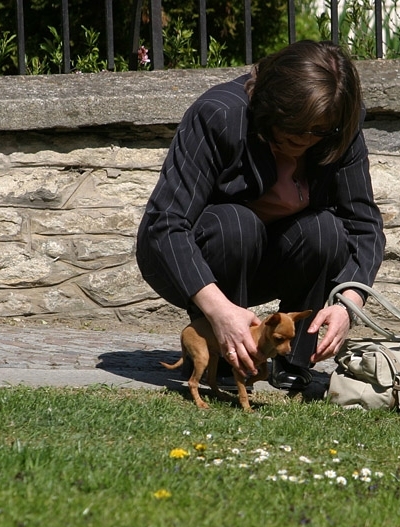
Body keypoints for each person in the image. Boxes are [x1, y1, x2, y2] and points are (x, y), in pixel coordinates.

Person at [136, 40, 385, 390]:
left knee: (325, 231)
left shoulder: (339, 125)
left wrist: (349, 304)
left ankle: (296, 359)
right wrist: (220, 311)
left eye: (320, 131)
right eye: (298, 129)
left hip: (276, 256)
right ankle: (226, 353)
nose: (309, 140)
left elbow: (364, 226)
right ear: (271, 105)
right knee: (237, 224)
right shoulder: (219, 114)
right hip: (202, 256)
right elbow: (166, 223)